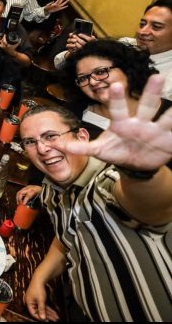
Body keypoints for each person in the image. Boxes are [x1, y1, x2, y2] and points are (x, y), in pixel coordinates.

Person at [16, 82, 172, 321]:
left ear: (82, 137)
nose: (43, 148)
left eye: (51, 136)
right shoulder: (52, 192)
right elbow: (67, 236)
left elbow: (157, 202)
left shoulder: (108, 182)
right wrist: (40, 277)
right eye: (30, 142)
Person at [54, 0, 172, 101]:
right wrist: (84, 52)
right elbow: (58, 63)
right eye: (142, 24)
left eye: (156, 27)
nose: (142, 32)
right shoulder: (125, 44)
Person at [62, 39, 166, 138]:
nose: (93, 82)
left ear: (126, 69)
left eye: (100, 72)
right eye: (83, 78)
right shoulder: (71, 116)